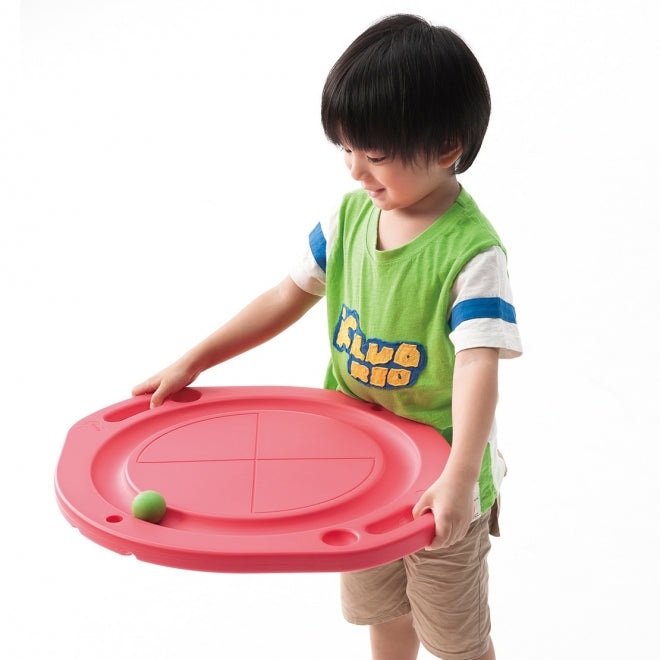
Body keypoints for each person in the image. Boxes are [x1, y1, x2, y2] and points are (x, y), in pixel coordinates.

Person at [133, 14, 522, 660]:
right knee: (383, 611)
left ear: (447, 146)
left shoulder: (472, 254)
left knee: (456, 640)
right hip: (361, 468)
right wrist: (195, 359)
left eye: (375, 155)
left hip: (438, 481)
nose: (355, 171)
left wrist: (458, 479)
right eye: (346, 149)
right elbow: (284, 296)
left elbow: (478, 368)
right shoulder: (348, 219)